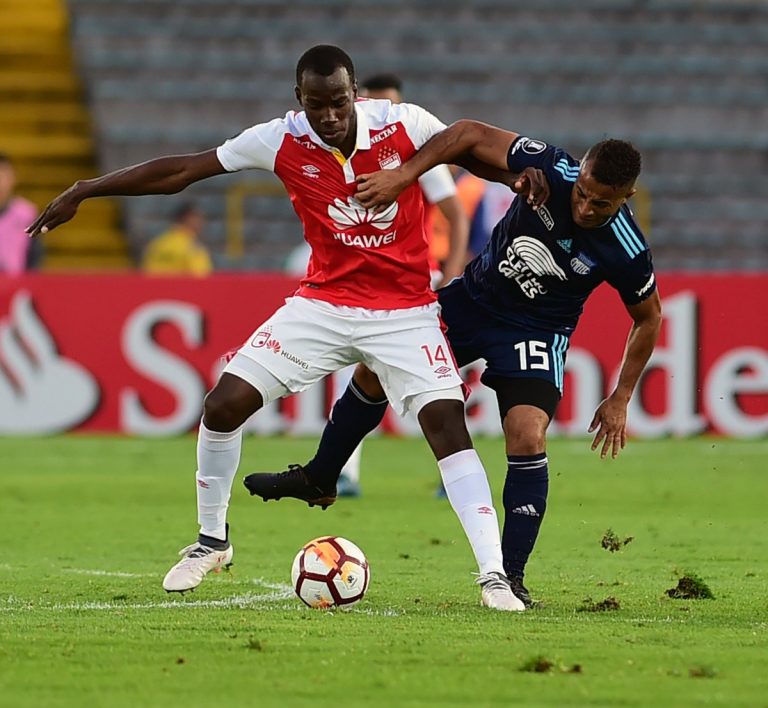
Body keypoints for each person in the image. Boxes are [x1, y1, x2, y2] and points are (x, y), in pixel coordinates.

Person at [28, 46, 548, 611]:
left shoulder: (403, 122)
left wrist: (519, 176)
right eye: (317, 104)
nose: (330, 116)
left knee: (446, 427)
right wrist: (87, 187)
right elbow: (183, 170)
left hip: (403, 309)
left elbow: (471, 150)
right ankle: (211, 542)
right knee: (223, 404)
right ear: (300, 100)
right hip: (323, 303)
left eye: (340, 102)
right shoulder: (280, 138)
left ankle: (493, 577)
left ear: (355, 94)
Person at [252, 120, 663, 608]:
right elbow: (467, 133)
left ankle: (510, 576)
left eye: (603, 203)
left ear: (628, 196)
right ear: (583, 173)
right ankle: (322, 476)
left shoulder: (628, 249)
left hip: (537, 329)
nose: (586, 208)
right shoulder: (553, 168)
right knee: (372, 367)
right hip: (472, 300)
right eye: (584, 194)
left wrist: (620, 397)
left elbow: (649, 318)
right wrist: (408, 174)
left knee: (527, 433)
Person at [329, 72, 471, 498]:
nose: (379, 111)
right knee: (350, 380)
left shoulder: (413, 150)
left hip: (411, 285)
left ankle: (454, 476)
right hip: (358, 287)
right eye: (372, 101)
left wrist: (452, 273)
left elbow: (455, 214)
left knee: (436, 384)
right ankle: (344, 473)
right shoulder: (339, 152)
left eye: (388, 103)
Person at [142, 201, 212, 275]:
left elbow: (147, 273)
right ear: (187, 218)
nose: (202, 222)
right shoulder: (192, 246)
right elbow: (200, 277)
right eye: (198, 217)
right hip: (183, 286)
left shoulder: (157, 244)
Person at [0, 153, 41, 275]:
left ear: (13, 178)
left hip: (17, 286)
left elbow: (35, 256)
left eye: (3, 176)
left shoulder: (27, 213)